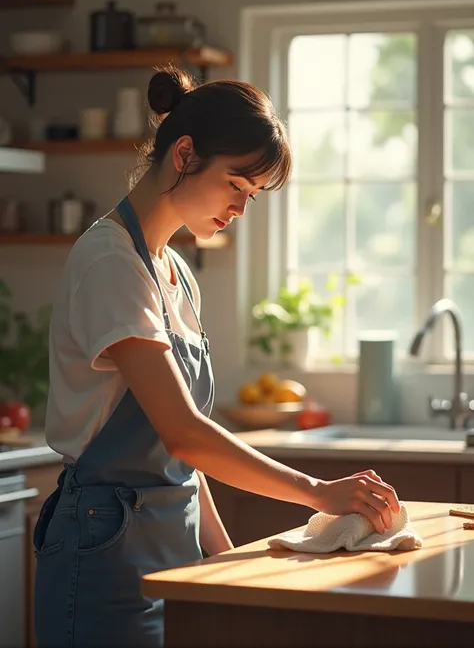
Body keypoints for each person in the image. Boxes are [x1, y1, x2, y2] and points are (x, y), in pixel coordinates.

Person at [33, 65, 400, 648]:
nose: (240, 209)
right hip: (104, 547)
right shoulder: (110, 262)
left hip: (173, 545)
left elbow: (181, 458)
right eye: (236, 184)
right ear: (184, 155)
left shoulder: (176, 273)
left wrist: (223, 562)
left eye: (251, 195)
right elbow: (183, 433)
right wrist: (317, 490)